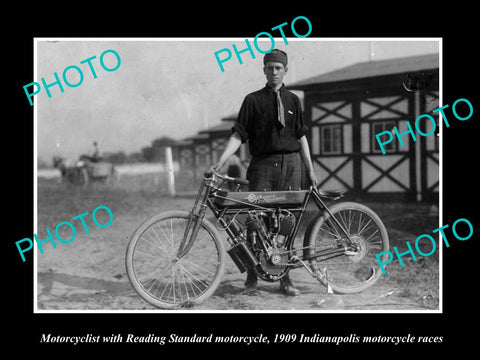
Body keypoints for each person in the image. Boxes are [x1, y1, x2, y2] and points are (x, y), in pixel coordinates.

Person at [211, 49, 318, 296]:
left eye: (278, 68)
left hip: (291, 165)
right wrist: (220, 161)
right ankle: (252, 276)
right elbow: (238, 135)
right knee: (254, 221)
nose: (274, 72)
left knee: (287, 221)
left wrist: (310, 170)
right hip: (262, 166)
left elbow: (301, 137)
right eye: (269, 67)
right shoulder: (252, 100)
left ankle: (285, 278)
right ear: (263, 70)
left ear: (286, 70)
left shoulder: (293, 100)